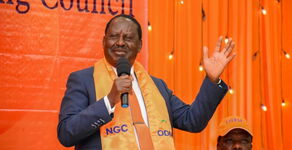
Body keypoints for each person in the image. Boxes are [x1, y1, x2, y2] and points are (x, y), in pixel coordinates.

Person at [57, 14, 236, 150]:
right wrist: (109, 100)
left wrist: (212, 80)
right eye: (113, 37)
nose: (120, 43)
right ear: (104, 41)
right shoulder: (82, 79)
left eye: (128, 38)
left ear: (140, 45)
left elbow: (193, 121)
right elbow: (66, 133)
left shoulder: (157, 86)